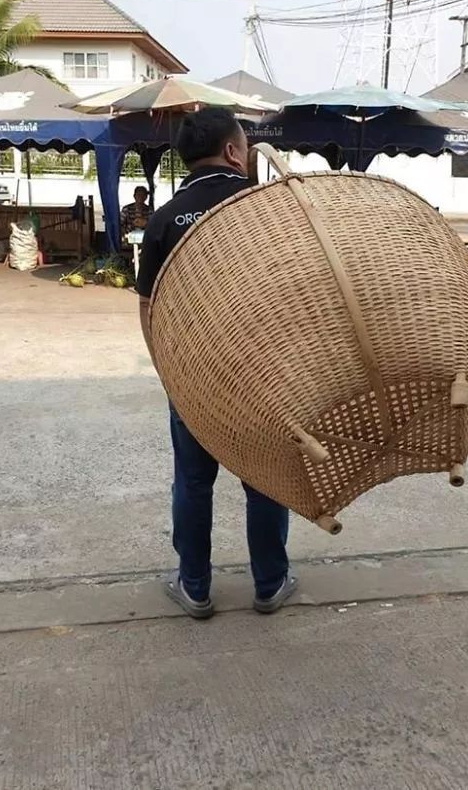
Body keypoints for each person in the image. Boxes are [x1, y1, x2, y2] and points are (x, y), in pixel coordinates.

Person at [137, 107, 297, 620]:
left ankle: (194, 587)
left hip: (193, 377)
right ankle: (270, 583)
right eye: (245, 145)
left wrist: (170, 374)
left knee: (192, 482)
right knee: (266, 477)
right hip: (262, 375)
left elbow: (149, 308)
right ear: (232, 151)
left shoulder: (165, 218)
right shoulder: (266, 208)